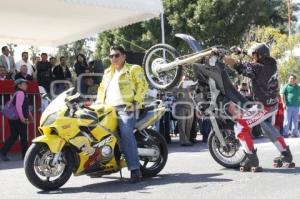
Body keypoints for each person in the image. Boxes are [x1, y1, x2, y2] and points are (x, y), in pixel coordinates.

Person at [223, 43, 294, 170]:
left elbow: (240, 66)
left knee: (240, 127)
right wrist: (243, 51)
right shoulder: (271, 63)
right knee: (267, 128)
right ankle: (286, 155)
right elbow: (254, 61)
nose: (252, 56)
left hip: (263, 107)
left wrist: (225, 58)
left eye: (254, 54)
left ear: (260, 56)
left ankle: (251, 159)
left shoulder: (257, 68)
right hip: (272, 104)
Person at [96, 45, 148, 183]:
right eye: (111, 56)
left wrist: (135, 103)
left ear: (124, 56)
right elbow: (101, 89)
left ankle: (135, 170)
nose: (113, 58)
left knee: (125, 132)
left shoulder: (133, 69)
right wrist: (97, 104)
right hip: (107, 109)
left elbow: (143, 86)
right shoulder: (107, 72)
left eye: (116, 55)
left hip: (126, 108)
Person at [0, 79, 32, 161]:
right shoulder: (21, 93)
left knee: (13, 136)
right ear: (19, 85)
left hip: (13, 118)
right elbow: (18, 107)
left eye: (26, 84)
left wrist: (29, 115)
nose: (26, 85)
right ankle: (26, 156)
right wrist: (22, 118)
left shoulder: (17, 93)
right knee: (24, 137)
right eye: (24, 84)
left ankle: (3, 152)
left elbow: (24, 107)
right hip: (18, 119)